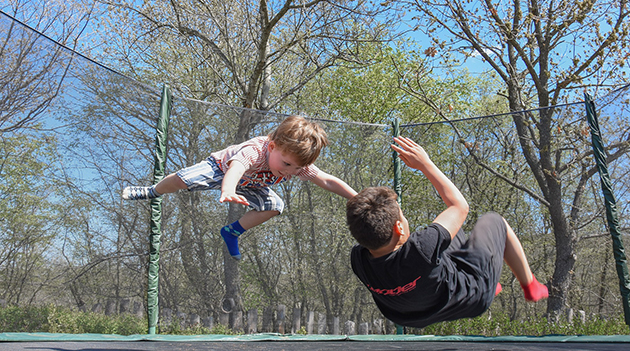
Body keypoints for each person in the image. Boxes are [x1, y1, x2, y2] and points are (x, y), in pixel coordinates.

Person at [346, 136, 548, 328]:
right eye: (402, 216)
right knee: (494, 221)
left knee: (451, 232)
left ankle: (483, 273)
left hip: (409, 316)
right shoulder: (422, 248)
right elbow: (459, 206)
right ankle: (530, 286)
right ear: (398, 228)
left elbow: (366, 223)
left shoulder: (359, 259)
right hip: (473, 298)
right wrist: (425, 164)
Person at [123, 115, 357, 260]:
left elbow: (327, 180)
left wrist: (356, 197)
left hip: (252, 184)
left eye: (296, 169)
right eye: (286, 164)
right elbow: (236, 167)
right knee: (181, 180)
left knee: (276, 205)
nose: (289, 172)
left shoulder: (296, 166)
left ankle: (232, 231)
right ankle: (152, 191)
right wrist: (228, 189)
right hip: (221, 170)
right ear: (273, 146)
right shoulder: (255, 151)